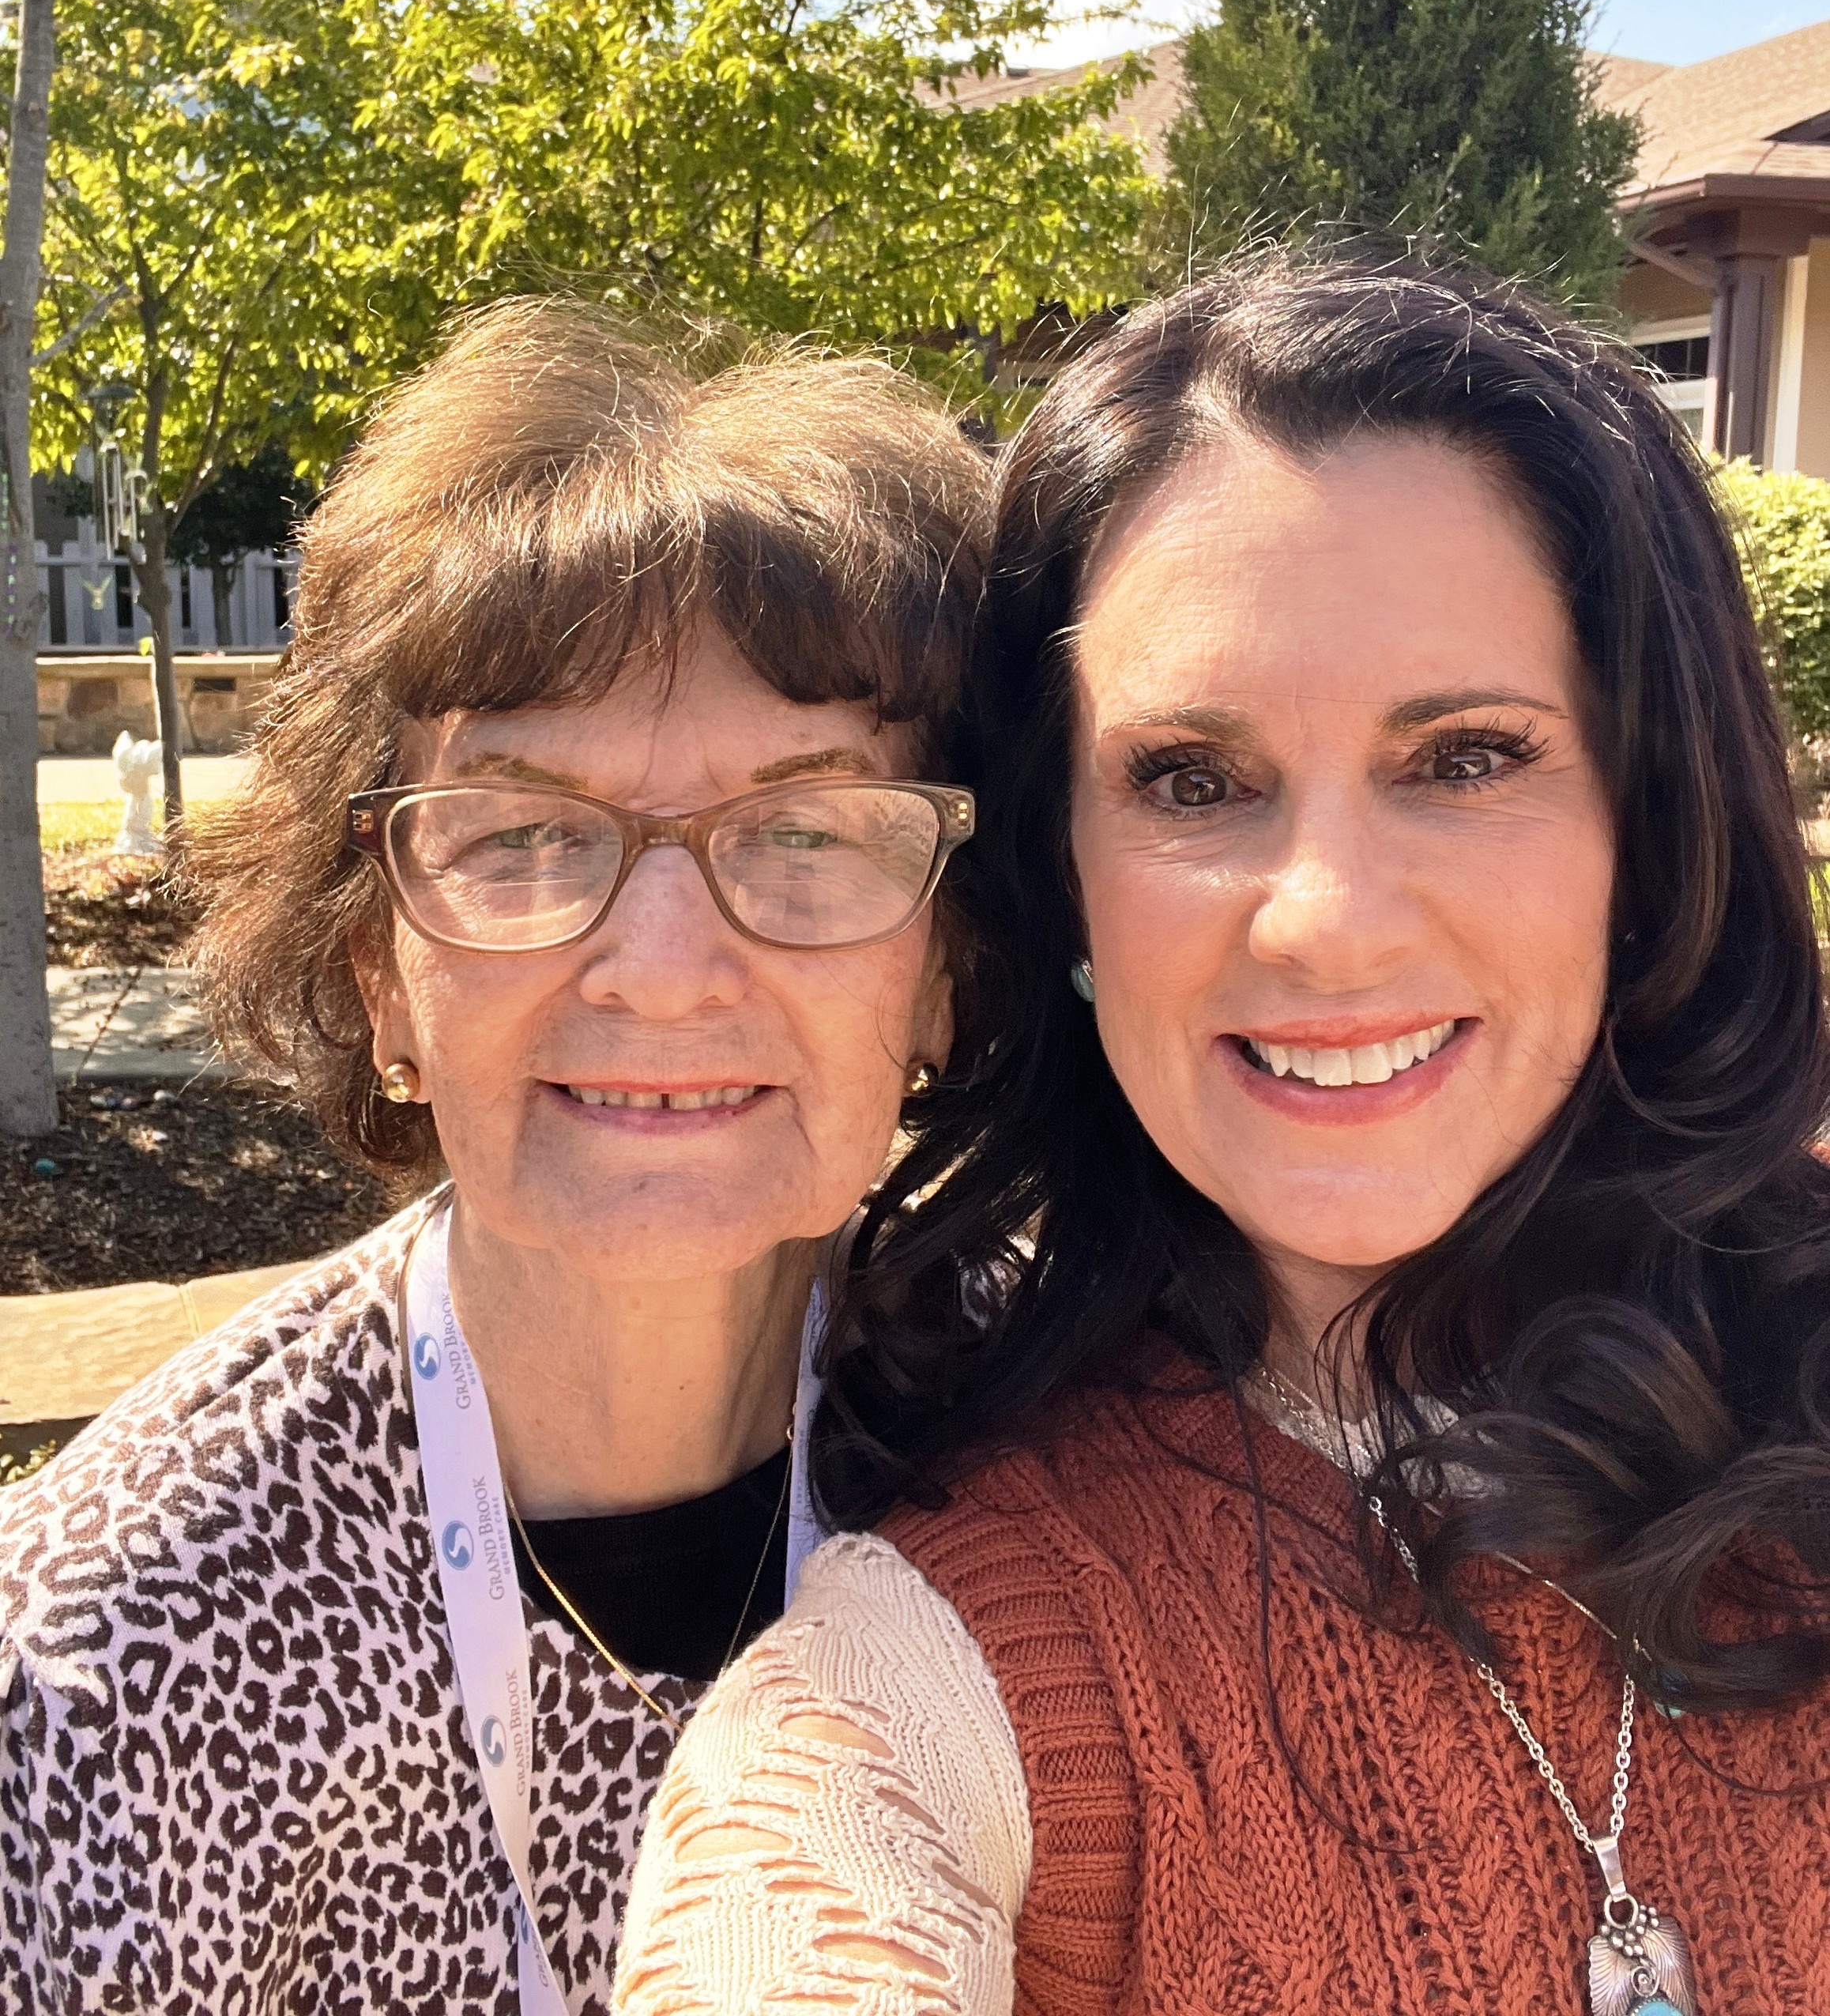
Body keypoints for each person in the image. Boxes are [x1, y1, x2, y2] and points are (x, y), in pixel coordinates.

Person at [613, 254, 1830, 2015]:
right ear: (1064, 884)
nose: (1323, 920)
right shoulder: (933, 1677)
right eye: (1192, 780)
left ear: (1646, 826)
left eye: (1466, 757)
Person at [0, 300, 986, 2014]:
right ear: (379, 970)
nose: (662, 967)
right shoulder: (92, 1689)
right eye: (525, 832)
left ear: (947, 969)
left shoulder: (1090, 1464)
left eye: (802, 827)